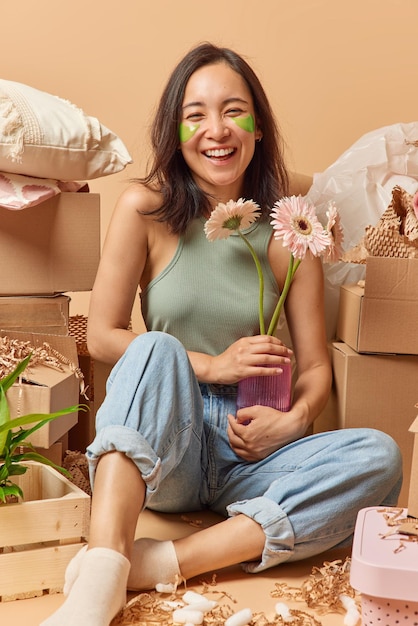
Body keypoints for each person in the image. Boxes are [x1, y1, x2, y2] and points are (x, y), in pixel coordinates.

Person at [41, 42, 402, 626]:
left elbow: (314, 370)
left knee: (379, 455)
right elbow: (103, 335)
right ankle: (103, 573)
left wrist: (295, 419)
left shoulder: (292, 231)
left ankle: (162, 562)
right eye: (196, 114)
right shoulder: (145, 209)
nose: (217, 129)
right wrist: (209, 366)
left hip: (253, 452)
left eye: (234, 110)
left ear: (257, 127)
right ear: (175, 131)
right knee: (153, 347)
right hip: (166, 445)